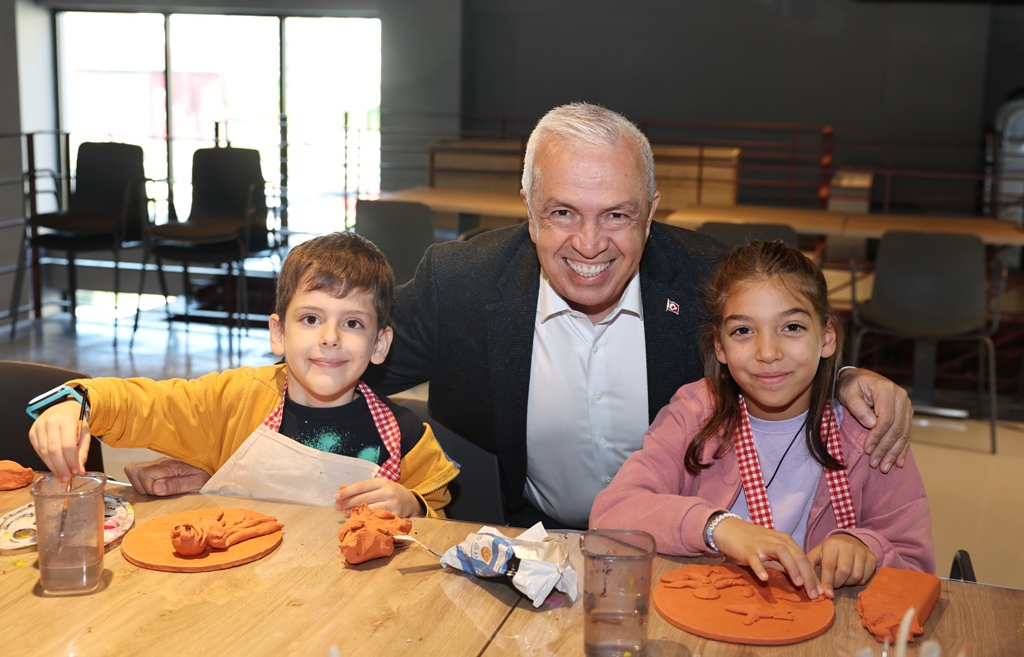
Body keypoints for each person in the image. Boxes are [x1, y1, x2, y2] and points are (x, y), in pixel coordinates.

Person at [117, 102, 913, 529]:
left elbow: (774, 345)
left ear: (652, 212)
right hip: (507, 537)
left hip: (682, 547)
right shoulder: (462, 281)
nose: (590, 244)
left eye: (617, 215)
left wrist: (843, 379)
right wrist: (232, 462)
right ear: (527, 208)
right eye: (563, 212)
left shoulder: (707, 279)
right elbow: (327, 371)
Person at [28, 232, 459, 518]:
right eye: (310, 319)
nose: (330, 338)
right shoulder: (234, 401)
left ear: (379, 344)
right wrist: (77, 404)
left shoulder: (406, 437)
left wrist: (412, 505)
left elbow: (438, 511)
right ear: (278, 333)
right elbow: (146, 405)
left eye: (352, 323)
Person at [590, 241, 933, 598]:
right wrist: (717, 527)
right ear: (720, 346)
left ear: (827, 337)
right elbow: (612, 511)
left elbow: (917, 569)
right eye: (743, 331)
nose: (768, 352)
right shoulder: (694, 414)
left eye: (792, 327)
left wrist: (867, 549)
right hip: (712, 609)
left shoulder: (870, 432)